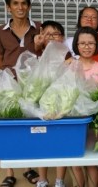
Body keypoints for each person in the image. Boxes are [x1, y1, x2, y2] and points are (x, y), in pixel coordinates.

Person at [0, 0, 40, 187]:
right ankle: (10, 172)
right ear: (8, 7)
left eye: (24, 3)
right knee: (10, 124)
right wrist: (12, 73)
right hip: (9, 83)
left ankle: (28, 168)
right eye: (15, 4)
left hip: (34, 84)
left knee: (29, 124)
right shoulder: (0, 31)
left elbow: (45, 52)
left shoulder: (38, 28)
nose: (20, 7)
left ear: (29, 6)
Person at [34, 21, 81, 187]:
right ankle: (42, 179)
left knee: (61, 141)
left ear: (62, 38)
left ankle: (59, 179)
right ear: (42, 37)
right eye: (48, 34)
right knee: (42, 142)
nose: (52, 38)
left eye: (56, 34)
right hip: (40, 106)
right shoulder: (37, 54)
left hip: (61, 105)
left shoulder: (67, 55)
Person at [70, 27, 98, 187]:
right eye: (83, 43)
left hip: (95, 122)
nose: (87, 46)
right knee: (75, 160)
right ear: (76, 45)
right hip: (73, 121)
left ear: (96, 45)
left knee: (92, 160)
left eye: (91, 43)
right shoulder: (69, 66)